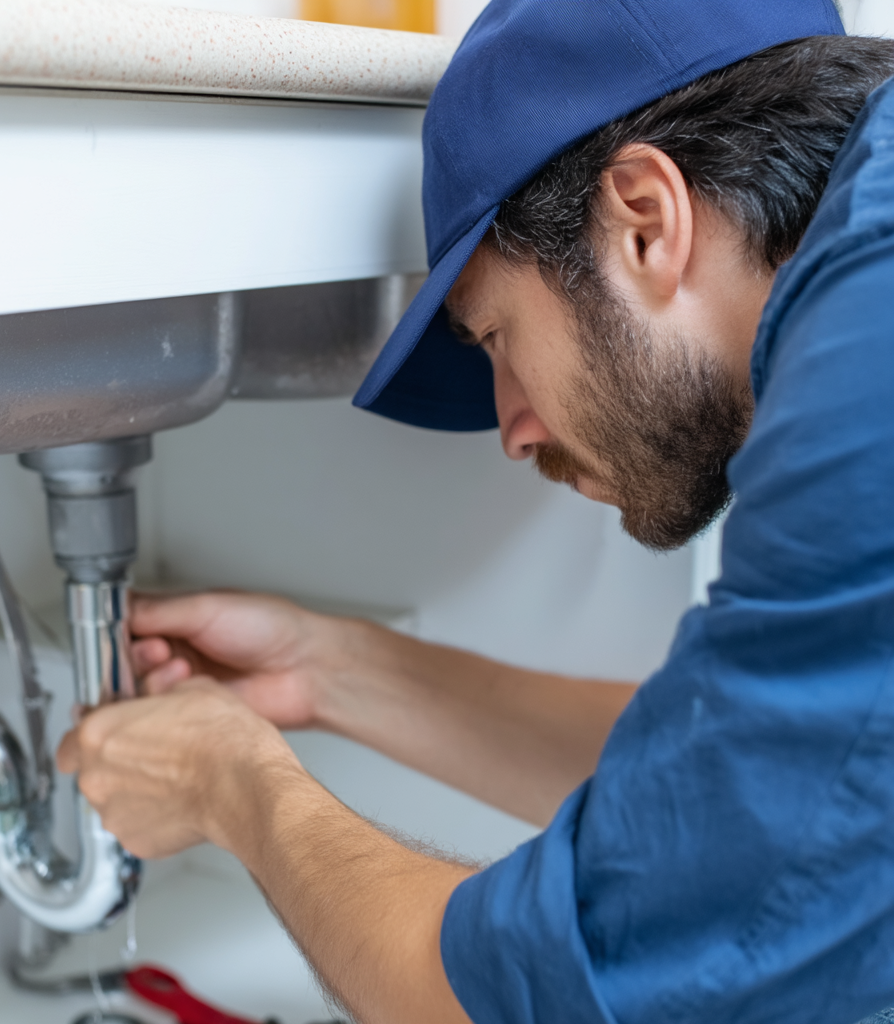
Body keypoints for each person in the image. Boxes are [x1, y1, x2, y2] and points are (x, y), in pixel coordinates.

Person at [57, 2, 894, 1021]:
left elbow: (547, 996)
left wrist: (232, 790)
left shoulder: (866, 384)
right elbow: (763, 784)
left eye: (494, 334)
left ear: (643, 218)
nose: (512, 430)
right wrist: (330, 670)